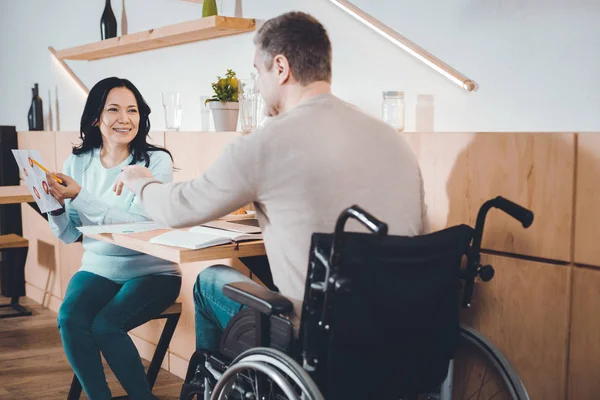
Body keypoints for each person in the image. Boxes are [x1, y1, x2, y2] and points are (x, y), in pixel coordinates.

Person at [115, 11, 427, 353]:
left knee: (208, 281)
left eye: (256, 72)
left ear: (280, 68)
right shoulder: (393, 139)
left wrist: (141, 180)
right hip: (400, 327)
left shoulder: (267, 143)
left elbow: (176, 209)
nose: (256, 86)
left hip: (318, 335)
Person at [48, 77, 181, 400]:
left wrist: (79, 195)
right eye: (114, 110)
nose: (125, 119)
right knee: (70, 318)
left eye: (133, 110)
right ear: (95, 117)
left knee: (106, 326)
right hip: (98, 268)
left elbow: (139, 225)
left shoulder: (154, 162)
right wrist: (53, 207)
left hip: (153, 271)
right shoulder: (77, 163)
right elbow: (70, 235)